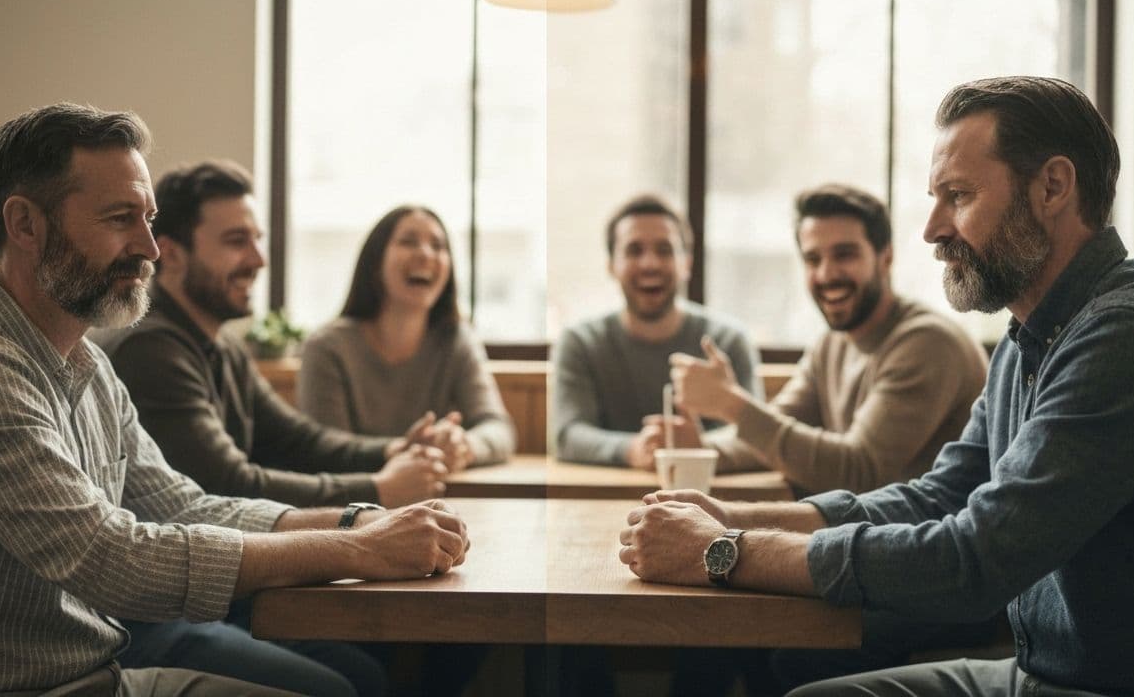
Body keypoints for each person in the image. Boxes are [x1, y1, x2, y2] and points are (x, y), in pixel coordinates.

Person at [618, 76, 1134, 696]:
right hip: (1044, 675)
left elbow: (975, 559)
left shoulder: (1130, 339)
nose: (932, 229)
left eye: (959, 196)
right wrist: (730, 516)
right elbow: (936, 495)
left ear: (1053, 187)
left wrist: (722, 553)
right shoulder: (1025, 340)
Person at [0, 103, 469, 696]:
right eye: (120, 219)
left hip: (98, 679)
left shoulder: (88, 366)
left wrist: (358, 519)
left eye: (149, 219)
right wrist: (355, 548)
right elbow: (111, 559)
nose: (150, 248)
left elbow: (186, 505)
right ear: (25, 225)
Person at [93, 162, 456, 695]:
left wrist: (395, 451)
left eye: (258, 240)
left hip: (204, 593)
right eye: (237, 241)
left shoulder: (218, 342)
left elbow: (296, 439)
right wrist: (377, 493)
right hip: (146, 616)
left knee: (370, 666)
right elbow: (228, 484)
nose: (259, 260)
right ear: (171, 252)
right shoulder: (153, 348)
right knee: (354, 679)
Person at [668, 184, 993, 688]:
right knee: (706, 628)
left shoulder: (926, 342)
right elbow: (775, 433)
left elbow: (859, 468)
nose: (826, 274)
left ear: (884, 257)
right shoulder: (833, 342)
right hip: (864, 544)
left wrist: (730, 403)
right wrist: (695, 450)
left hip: (934, 568)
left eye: (844, 255)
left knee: (776, 645)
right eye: (813, 258)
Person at [554, 194, 763, 471]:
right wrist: (632, 449)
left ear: (686, 263)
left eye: (664, 250)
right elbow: (568, 434)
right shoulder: (580, 343)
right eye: (634, 250)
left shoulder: (728, 340)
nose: (649, 264)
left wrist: (696, 445)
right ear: (611, 265)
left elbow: (755, 435)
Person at [298, 205, 515, 471]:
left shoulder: (457, 340)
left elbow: (499, 429)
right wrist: (410, 450)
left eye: (438, 245)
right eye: (408, 242)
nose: (425, 254)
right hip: (355, 504)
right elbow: (327, 451)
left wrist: (462, 446)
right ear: (375, 262)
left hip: (435, 499)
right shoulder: (326, 348)